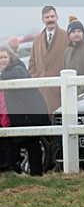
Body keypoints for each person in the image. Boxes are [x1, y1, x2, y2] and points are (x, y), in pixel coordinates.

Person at [0, 47, 50, 175]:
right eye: (0, 58)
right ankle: (16, 175)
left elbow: (19, 74)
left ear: (10, 57)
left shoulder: (17, 67)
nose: (3, 60)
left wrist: (2, 75)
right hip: (12, 116)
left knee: (31, 144)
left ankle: (36, 176)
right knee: (15, 146)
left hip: (28, 114)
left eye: (5, 57)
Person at [27, 5, 70, 115]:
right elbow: (32, 61)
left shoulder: (66, 36)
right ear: (42, 20)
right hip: (42, 90)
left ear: (57, 17)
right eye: (47, 17)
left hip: (60, 89)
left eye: (52, 16)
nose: (50, 19)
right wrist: (34, 76)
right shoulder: (37, 39)